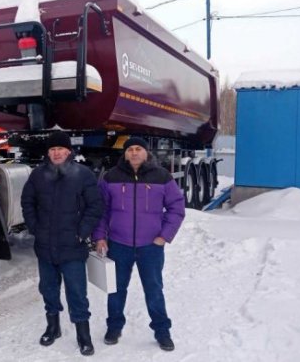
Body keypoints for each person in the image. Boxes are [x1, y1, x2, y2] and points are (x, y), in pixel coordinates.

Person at [92, 137, 185, 351]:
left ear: (146, 152)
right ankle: (114, 327)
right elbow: (101, 210)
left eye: (138, 149)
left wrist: (164, 236)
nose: (134, 153)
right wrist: (100, 237)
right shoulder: (111, 177)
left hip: (150, 246)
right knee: (116, 289)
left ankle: (162, 331)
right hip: (118, 244)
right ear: (124, 153)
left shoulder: (162, 176)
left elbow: (177, 208)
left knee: (154, 289)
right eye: (130, 149)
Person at [21, 130, 104, 356]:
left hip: (72, 247)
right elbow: (27, 202)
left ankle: (83, 335)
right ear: (48, 153)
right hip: (45, 246)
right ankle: (53, 327)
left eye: (60, 149)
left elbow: (95, 206)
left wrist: (82, 232)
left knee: (77, 292)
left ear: (69, 151)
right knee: (48, 289)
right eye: (52, 149)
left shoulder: (83, 174)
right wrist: (34, 227)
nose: (56, 153)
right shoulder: (38, 175)